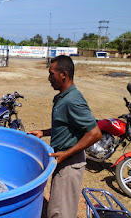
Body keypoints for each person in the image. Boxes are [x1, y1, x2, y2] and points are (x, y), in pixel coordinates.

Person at [28, 55, 102, 218]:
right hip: (63, 161)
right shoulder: (62, 98)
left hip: (69, 163)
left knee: (61, 212)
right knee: (57, 208)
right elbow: (65, 125)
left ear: (64, 74)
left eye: (51, 73)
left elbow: (95, 133)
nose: (49, 78)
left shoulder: (72, 100)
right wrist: (44, 132)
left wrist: (66, 154)